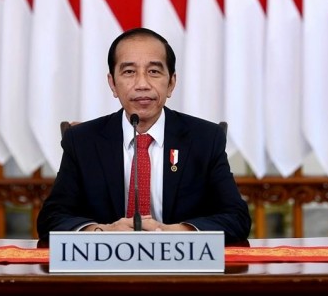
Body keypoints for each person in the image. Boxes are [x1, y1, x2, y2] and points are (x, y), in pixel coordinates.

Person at [36, 27, 251, 244]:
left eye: (154, 72)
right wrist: (103, 232)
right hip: (105, 270)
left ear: (171, 83)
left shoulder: (205, 139)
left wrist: (176, 232)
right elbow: (51, 219)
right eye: (129, 72)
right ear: (112, 83)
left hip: (183, 269)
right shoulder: (82, 141)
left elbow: (237, 218)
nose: (142, 84)